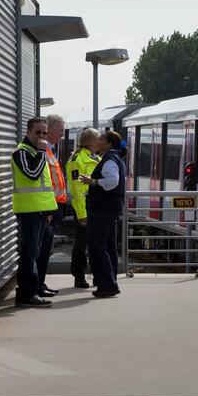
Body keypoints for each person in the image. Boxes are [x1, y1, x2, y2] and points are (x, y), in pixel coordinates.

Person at [12, 118, 59, 308]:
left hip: (40, 210)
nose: (41, 137)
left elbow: (44, 184)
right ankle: (25, 294)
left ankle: (36, 288)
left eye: (44, 133)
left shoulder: (37, 152)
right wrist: (41, 152)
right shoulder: (21, 152)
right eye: (38, 132)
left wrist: (48, 209)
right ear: (28, 132)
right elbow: (32, 174)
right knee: (29, 253)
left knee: (36, 252)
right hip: (29, 211)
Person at [80, 131, 126, 298]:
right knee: (108, 246)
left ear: (108, 144)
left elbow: (112, 181)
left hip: (103, 208)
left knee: (97, 246)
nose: (98, 142)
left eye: (101, 140)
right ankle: (109, 280)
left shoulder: (109, 160)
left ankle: (107, 284)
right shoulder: (115, 158)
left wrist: (92, 181)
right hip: (110, 207)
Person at [36, 114, 70, 298]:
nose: (62, 135)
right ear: (50, 129)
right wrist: (48, 208)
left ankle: (40, 283)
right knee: (41, 249)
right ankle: (37, 285)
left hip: (53, 205)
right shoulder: (43, 150)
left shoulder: (50, 150)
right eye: (61, 130)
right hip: (47, 206)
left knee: (45, 248)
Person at [67, 128, 101, 289]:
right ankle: (79, 276)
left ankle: (96, 274)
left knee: (94, 241)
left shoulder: (96, 157)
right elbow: (77, 189)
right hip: (84, 205)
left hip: (94, 204)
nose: (100, 143)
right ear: (92, 142)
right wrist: (81, 214)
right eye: (98, 140)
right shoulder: (77, 160)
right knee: (82, 242)